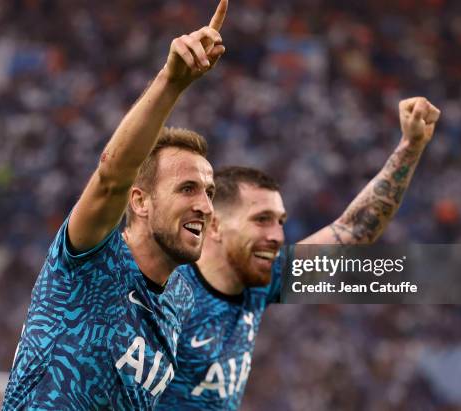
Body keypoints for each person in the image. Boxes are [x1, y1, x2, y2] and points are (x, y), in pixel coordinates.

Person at [3, 1, 228, 409]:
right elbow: (111, 179)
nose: (205, 205)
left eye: (209, 193)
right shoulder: (91, 257)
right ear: (139, 201)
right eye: (187, 189)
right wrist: (171, 82)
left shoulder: (178, 298)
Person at [157, 97, 441, 410]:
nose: (277, 236)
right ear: (215, 226)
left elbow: (354, 231)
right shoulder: (164, 290)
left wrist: (411, 146)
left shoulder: (261, 278)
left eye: (280, 222)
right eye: (261, 220)